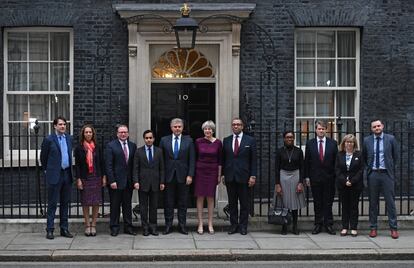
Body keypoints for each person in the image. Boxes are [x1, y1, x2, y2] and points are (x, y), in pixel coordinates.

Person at [363, 119, 400, 239]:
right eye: (374, 127)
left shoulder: (391, 139)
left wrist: (391, 171)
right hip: (373, 174)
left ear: (382, 126)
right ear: (371, 129)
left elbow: (396, 157)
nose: (377, 128)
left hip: (386, 175)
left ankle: (393, 228)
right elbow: (364, 158)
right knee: (373, 203)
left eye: (378, 126)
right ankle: (373, 228)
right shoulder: (366, 140)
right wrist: (367, 173)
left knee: (390, 203)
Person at [159, 118, 195, 235]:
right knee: (168, 202)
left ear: (183, 128)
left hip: (183, 177)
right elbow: (161, 161)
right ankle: (168, 225)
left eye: (179, 126)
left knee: (183, 202)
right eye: (175, 126)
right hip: (168, 177)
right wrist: (162, 178)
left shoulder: (188, 141)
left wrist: (190, 175)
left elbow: (192, 160)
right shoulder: (164, 140)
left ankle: (182, 225)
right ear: (171, 128)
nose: (177, 128)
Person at [40, 116, 73, 240]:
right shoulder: (49, 139)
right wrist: (47, 171)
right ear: (55, 126)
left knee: (65, 203)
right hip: (54, 175)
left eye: (64, 124)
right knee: (52, 204)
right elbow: (43, 157)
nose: (63, 126)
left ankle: (64, 229)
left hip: (67, 174)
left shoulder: (69, 138)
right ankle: (50, 230)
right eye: (60, 124)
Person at [222, 118, 257, 235]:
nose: (236, 126)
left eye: (238, 124)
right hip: (230, 176)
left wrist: (253, 175)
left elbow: (254, 160)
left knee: (244, 203)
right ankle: (233, 225)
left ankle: (243, 226)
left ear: (242, 126)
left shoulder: (250, 140)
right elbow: (224, 159)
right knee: (232, 203)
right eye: (234, 125)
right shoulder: (226, 140)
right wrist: (223, 174)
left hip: (244, 176)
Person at [304, 120, 338, 235]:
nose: (321, 131)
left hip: (329, 178)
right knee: (317, 202)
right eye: (319, 129)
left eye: (323, 129)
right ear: (316, 130)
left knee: (328, 202)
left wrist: (335, 176)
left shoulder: (333, 143)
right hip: (315, 178)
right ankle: (318, 224)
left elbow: (336, 162)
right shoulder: (310, 143)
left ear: (326, 130)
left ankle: (328, 224)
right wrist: (307, 177)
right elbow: (307, 161)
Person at [74, 124, 106, 237]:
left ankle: (94, 225)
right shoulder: (79, 148)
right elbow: (77, 165)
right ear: (83, 134)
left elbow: (102, 162)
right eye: (86, 132)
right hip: (85, 177)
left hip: (96, 176)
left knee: (96, 202)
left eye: (90, 132)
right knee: (86, 202)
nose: (88, 134)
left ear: (93, 134)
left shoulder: (97, 147)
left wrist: (104, 176)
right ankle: (87, 225)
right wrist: (78, 179)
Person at [105, 124, 137, 236]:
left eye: (125, 132)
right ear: (117, 134)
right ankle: (114, 227)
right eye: (121, 132)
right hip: (116, 182)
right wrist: (112, 180)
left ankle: (128, 227)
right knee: (115, 206)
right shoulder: (111, 146)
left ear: (128, 133)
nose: (123, 134)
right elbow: (108, 165)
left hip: (128, 182)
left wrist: (134, 180)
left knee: (127, 206)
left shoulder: (133, 146)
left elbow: (134, 165)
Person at [134, 130, 165, 236]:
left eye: (150, 138)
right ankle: (145, 227)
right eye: (146, 138)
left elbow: (162, 168)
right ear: (144, 139)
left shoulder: (159, 151)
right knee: (143, 207)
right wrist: (136, 181)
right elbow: (135, 168)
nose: (148, 140)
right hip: (143, 183)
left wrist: (162, 182)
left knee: (153, 206)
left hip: (155, 183)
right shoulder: (138, 151)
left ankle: (153, 227)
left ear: (154, 139)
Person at [194, 120, 222, 235]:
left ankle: (210, 223)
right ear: (203, 130)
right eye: (205, 129)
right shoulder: (198, 142)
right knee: (200, 197)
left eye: (209, 129)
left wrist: (219, 175)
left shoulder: (218, 143)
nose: (207, 131)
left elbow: (220, 160)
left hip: (212, 171)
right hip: (200, 171)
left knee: (210, 198)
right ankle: (200, 223)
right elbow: (194, 157)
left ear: (213, 130)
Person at [275, 131, 306, 235]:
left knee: (294, 203)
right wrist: (277, 184)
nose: (290, 139)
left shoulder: (298, 151)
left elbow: (302, 167)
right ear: (284, 138)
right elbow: (276, 168)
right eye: (287, 137)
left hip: (295, 176)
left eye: (291, 137)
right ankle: (284, 226)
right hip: (283, 176)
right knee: (284, 202)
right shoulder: (280, 151)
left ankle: (295, 226)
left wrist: (300, 182)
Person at [335, 134, 364, 237]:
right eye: (347, 142)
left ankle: (354, 228)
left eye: (351, 142)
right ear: (344, 143)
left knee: (354, 206)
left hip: (355, 185)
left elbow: (361, 170)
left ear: (354, 144)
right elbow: (337, 169)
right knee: (345, 206)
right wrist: (344, 181)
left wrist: (352, 181)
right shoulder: (339, 154)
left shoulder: (359, 155)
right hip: (343, 185)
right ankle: (344, 227)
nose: (349, 144)